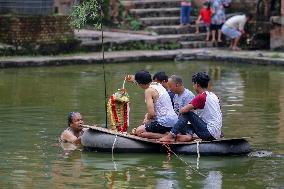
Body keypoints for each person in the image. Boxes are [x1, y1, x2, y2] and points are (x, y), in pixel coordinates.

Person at [160, 72, 222, 142]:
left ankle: (171, 136)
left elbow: (183, 111)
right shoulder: (214, 96)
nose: (193, 86)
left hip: (208, 133)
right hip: (217, 132)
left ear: (197, 85)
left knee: (187, 113)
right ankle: (187, 135)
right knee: (189, 120)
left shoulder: (201, 97)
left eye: (193, 84)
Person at [126, 70, 178, 139]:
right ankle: (167, 133)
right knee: (146, 122)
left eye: (137, 83)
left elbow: (152, 114)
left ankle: (168, 136)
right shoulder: (157, 84)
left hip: (164, 122)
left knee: (139, 131)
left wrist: (146, 121)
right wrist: (133, 78)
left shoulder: (148, 91)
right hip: (174, 120)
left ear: (140, 83)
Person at [167, 75, 195, 141]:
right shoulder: (175, 95)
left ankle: (171, 136)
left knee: (188, 137)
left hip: (187, 124)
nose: (169, 89)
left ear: (177, 85)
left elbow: (188, 115)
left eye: (170, 86)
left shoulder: (188, 95)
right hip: (177, 122)